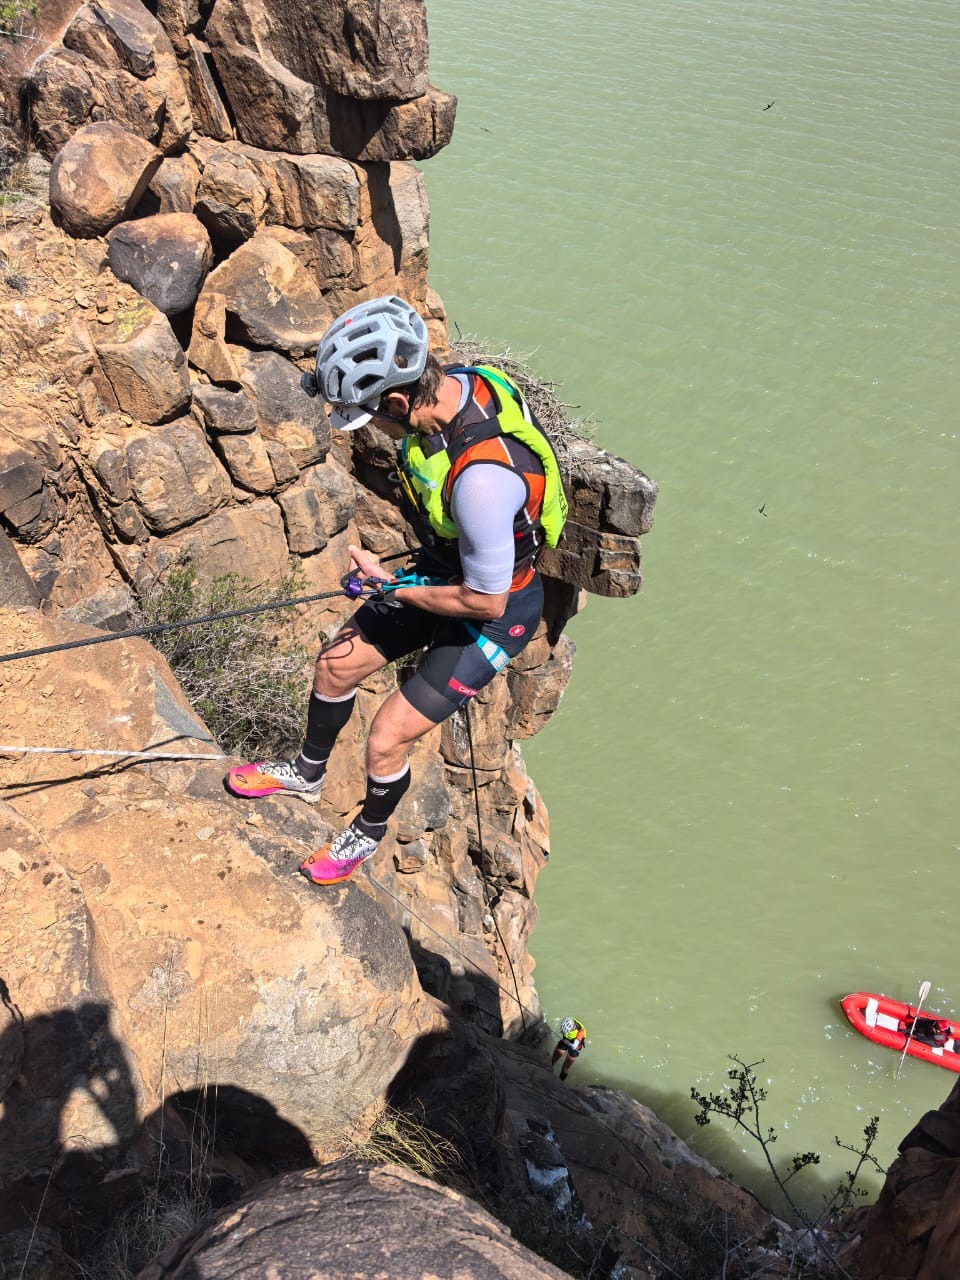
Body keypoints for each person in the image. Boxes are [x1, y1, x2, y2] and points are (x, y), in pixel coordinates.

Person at [226, 295, 567, 885]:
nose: (378, 432)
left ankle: (366, 833)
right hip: (447, 572)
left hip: (495, 611)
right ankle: (306, 774)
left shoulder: (483, 483)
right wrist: (401, 584)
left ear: (398, 400)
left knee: (386, 738)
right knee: (335, 665)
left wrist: (395, 590)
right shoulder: (468, 383)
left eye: (374, 418)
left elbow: (483, 601)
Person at [551, 1016, 586, 1082]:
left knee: (565, 1068)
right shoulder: (569, 1019)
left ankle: (559, 1082)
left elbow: (574, 1046)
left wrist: (567, 1043)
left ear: (573, 1027)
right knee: (553, 1058)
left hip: (574, 1048)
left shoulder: (580, 1032)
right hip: (565, 1040)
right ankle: (548, 1069)